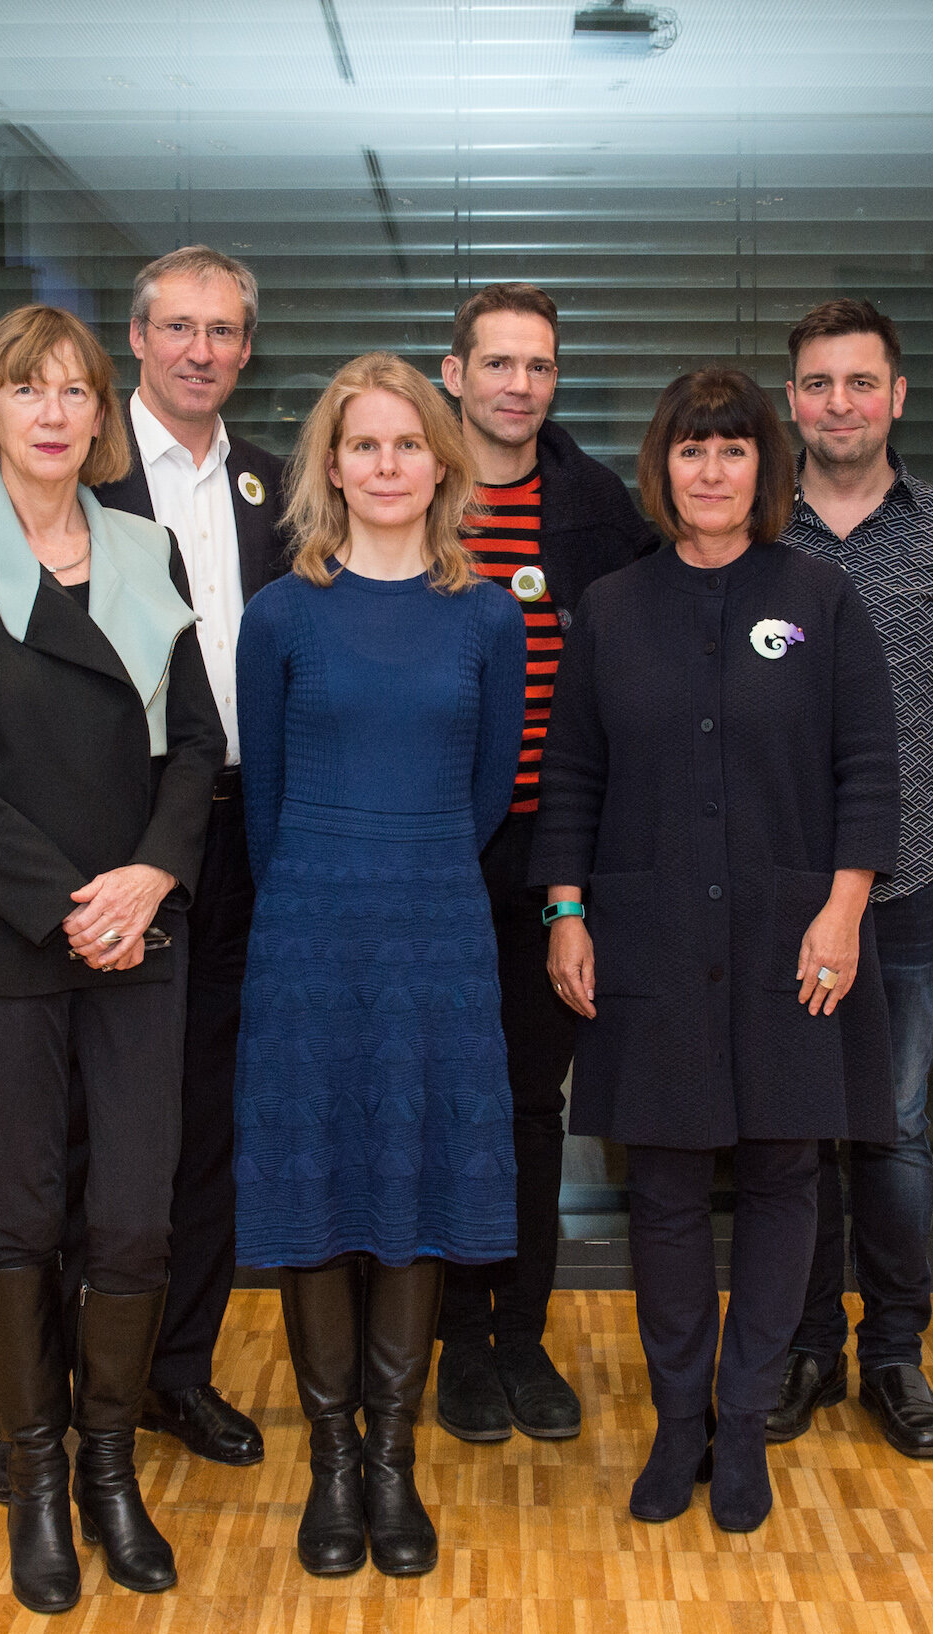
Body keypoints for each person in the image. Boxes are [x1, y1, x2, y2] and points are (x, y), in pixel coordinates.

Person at [0, 303, 223, 1614]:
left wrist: (146, 877)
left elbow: (194, 744)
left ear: (102, 415)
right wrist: (67, 898)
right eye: (27, 387)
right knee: (26, 1215)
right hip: (2, 935)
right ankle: (33, 1478)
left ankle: (105, 1462)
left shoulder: (148, 552)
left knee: (133, 1212)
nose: (54, 410)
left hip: (141, 925)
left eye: (76, 389)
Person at [532, 367, 900, 1532]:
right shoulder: (613, 608)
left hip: (795, 938)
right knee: (670, 1189)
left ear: (762, 465)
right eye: (691, 450)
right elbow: (572, 777)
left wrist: (843, 909)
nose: (709, 471)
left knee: (789, 1175)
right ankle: (678, 1419)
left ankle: (745, 1423)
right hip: (650, 933)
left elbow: (868, 769)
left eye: (732, 449)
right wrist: (566, 909)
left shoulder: (820, 598)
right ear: (663, 467)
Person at [235, 352, 526, 1579]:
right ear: (332, 465)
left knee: (414, 1193)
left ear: (440, 464)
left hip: (437, 936)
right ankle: (332, 1461)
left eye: (409, 444)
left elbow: (486, 793)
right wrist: (326, 882)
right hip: (307, 933)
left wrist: (408, 869)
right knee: (315, 1192)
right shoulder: (281, 612)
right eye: (364, 445)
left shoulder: (489, 612)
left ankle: (395, 1459)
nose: (388, 464)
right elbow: (262, 805)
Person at [771, 298, 933, 1459]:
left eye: (859, 382)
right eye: (818, 384)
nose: (838, 404)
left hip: (915, 879)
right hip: (777, 881)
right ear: (792, 401)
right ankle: (807, 1345)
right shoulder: (751, 531)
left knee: (897, 1129)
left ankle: (893, 1359)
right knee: (790, 1127)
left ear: (896, 397)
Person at [430, 281, 656, 1444]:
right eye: (500, 363)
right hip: (423, 847)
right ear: (455, 371)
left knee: (526, 1102)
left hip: (548, 846)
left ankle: (518, 1333)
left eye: (541, 366)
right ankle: (449, 1343)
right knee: (438, 1097)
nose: (521, 385)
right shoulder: (403, 484)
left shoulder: (595, 506)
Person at [90, 245, 289, 1467]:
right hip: (115, 842)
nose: (200, 349)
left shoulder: (276, 485)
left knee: (212, 1114)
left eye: (223, 331)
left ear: (247, 348)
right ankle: (69, 1384)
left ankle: (178, 1370)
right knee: (102, 1124)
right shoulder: (79, 469)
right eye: (179, 328)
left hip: (247, 834)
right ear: (138, 337)